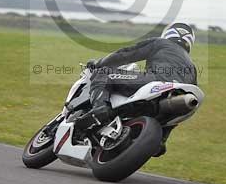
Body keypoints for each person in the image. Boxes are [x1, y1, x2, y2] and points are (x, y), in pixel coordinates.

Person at [77, 22, 197, 156]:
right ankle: (160, 140)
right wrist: (161, 138)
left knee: (103, 73)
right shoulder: (192, 66)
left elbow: (126, 54)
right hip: (176, 98)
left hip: (155, 81)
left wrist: (99, 63)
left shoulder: (161, 43)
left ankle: (99, 109)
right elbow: (177, 115)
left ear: (168, 33)